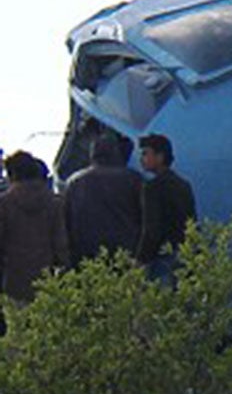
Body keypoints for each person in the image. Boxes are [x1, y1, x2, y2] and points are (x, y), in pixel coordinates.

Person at [0, 150, 69, 312]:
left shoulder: (4, 204)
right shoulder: (55, 202)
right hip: (46, 280)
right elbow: (61, 244)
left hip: (13, 282)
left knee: (17, 331)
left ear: (12, 175)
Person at [62, 133, 144, 263]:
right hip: (125, 252)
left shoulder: (74, 182)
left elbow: (66, 222)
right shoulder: (134, 179)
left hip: (86, 254)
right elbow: (145, 218)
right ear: (116, 151)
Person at [136, 133, 197, 283]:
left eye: (145, 153)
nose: (141, 159)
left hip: (163, 258)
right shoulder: (184, 185)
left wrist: (141, 260)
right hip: (185, 254)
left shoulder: (152, 188)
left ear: (160, 157)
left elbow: (152, 230)